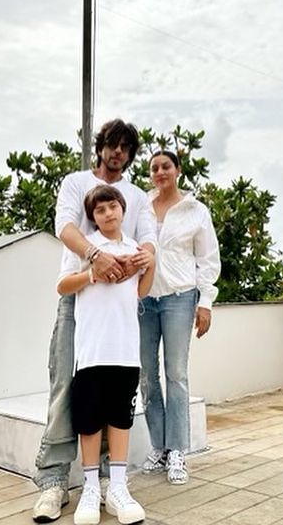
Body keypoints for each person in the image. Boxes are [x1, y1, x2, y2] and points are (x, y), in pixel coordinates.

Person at [32, 120, 156, 522]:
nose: (117, 152)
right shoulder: (75, 181)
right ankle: (53, 480)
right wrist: (93, 257)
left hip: (120, 307)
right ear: (99, 146)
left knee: (114, 393)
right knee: (66, 386)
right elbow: (64, 226)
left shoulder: (137, 196)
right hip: (79, 296)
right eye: (111, 144)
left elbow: (148, 237)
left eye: (125, 147)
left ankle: (105, 481)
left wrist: (146, 257)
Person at [58, 185, 154, 525]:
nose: (108, 214)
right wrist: (91, 273)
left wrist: (151, 263)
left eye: (113, 206)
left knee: (120, 419)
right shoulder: (86, 247)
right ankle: (89, 488)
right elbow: (62, 286)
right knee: (89, 421)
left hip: (125, 350)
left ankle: (117, 487)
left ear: (122, 209)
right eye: (100, 210)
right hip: (92, 350)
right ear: (93, 217)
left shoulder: (135, 249)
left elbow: (141, 291)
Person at [138, 150, 221, 485]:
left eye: (166, 166)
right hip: (143, 301)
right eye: (154, 168)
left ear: (178, 171)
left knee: (176, 374)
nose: (160, 172)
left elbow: (208, 259)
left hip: (179, 299)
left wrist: (206, 302)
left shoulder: (195, 211)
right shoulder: (140, 207)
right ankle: (159, 445)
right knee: (146, 376)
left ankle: (177, 452)